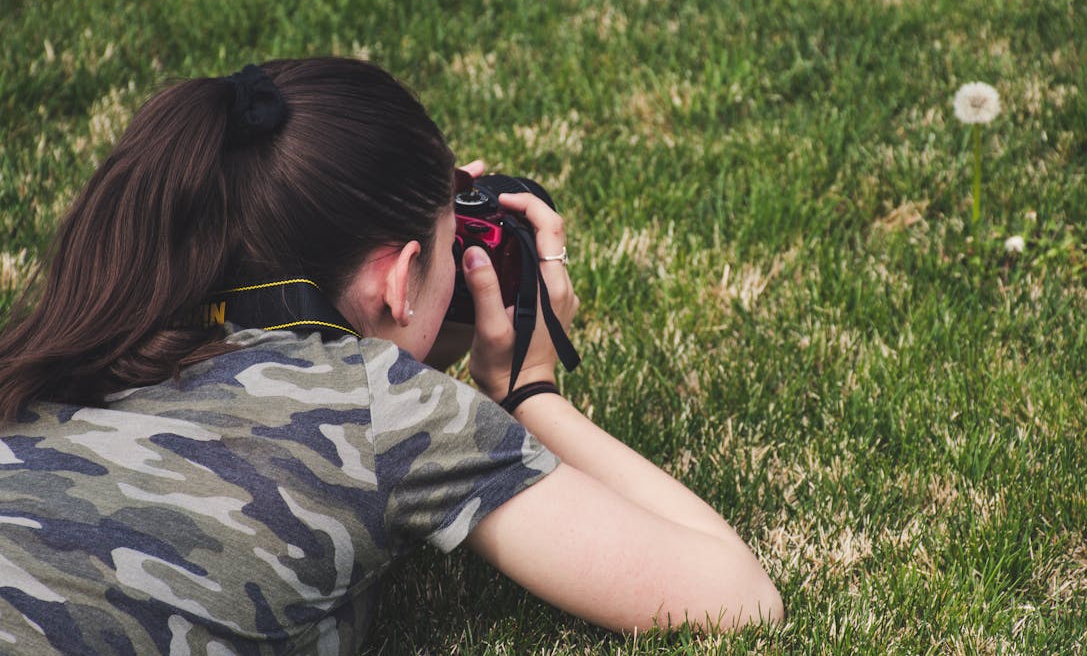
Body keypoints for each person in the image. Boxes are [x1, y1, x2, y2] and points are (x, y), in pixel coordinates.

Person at [0, 57, 782, 654]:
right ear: (400, 281)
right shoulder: (384, 405)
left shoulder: (66, 343)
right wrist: (527, 390)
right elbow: (732, 603)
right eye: (450, 251)